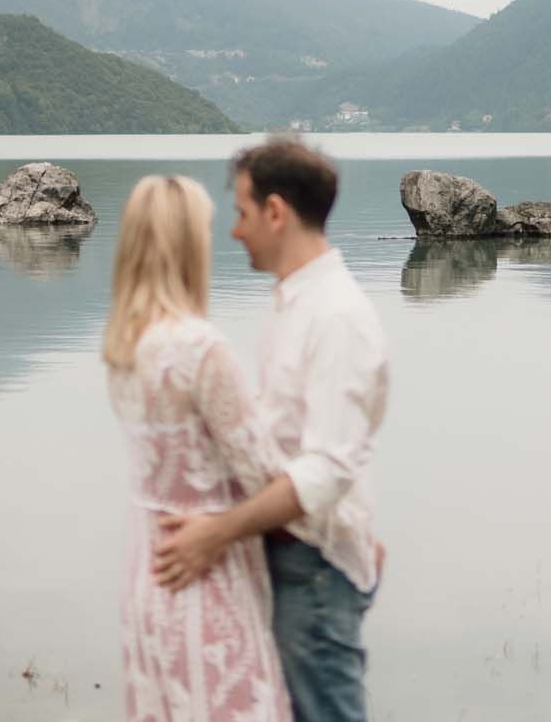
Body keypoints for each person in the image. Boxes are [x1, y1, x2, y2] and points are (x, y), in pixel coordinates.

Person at [153, 139, 389, 722]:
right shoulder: (293, 304)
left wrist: (217, 533)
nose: (233, 231)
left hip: (313, 568)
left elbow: (327, 469)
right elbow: (284, 438)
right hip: (297, 559)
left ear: (276, 212)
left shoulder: (337, 317)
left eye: (241, 212)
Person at [105, 173, 291, 722]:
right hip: (206, 575)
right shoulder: (201, 349)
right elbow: (265, 477)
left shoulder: (124, 346)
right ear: (186, 244)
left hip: (148, 576)